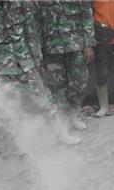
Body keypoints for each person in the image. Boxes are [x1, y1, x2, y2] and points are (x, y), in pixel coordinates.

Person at [0, 0, 49, 110]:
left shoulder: (21, 3)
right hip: (4, 72)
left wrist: (38, 62)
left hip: (28, 66)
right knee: (12, 109)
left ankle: (55, 127)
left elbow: (31, 35)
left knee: (44, 103)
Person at [37, 0, 95, 131]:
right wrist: (40, 51)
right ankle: (65, 117)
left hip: (76, 45)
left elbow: (87, 16)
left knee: (79, 82)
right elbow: (37, 22)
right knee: (57, 86)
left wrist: (89, 44)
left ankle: (76, 114)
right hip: (51, 48)